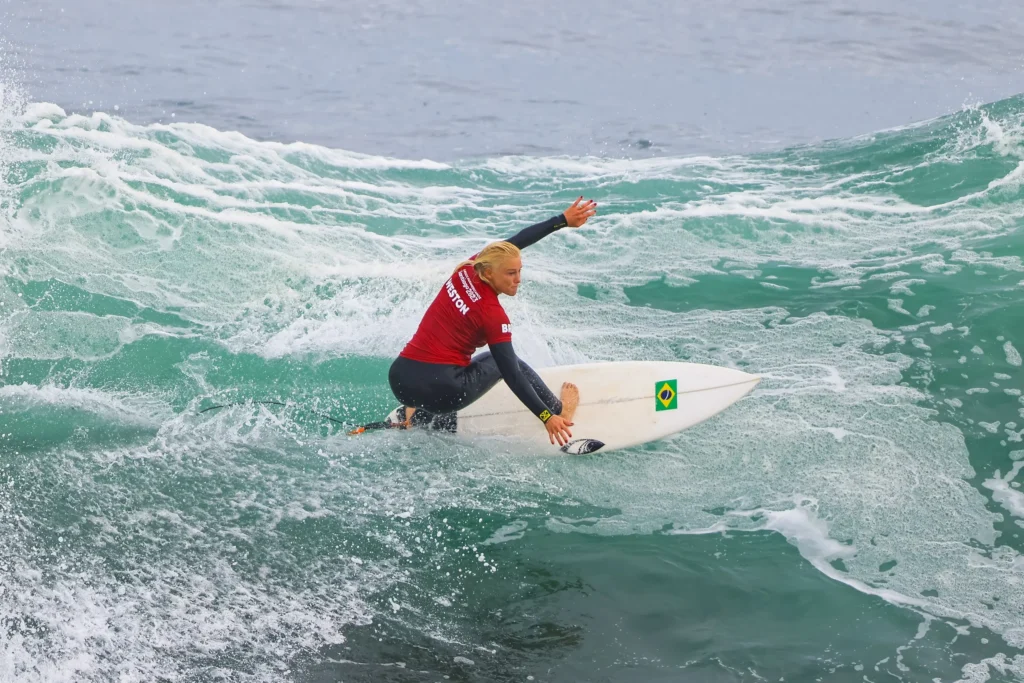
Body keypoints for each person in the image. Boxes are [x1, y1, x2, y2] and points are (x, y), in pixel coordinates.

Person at [388, 197, 598, 447]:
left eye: (519, 270)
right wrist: (545, 416)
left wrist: (562, 220)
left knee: (451, 362)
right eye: (511, 273)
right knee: (500, 362)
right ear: (489, 273)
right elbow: (512, 374)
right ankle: (560, 411)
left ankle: (416, 416)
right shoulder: (492, 314)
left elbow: (517, 241)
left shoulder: (468, 268)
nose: (518, 279)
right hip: (443, 393)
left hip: (401, 381)